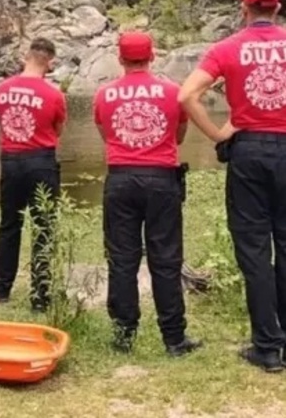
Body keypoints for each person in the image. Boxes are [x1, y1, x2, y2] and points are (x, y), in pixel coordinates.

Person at [179, 0, 286, 372]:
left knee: (255, 249)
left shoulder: (227, 48)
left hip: (249, 151)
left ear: (244, 8)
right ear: (277, 7)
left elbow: (186, 94)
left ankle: (267, 346)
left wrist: (218, 133)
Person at [94, 31, 202, 357]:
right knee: (166, 259)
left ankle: (124, 335)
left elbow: (106, 133)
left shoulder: (104, 94)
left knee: (122, 259)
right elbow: (179, 134)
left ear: (121, 58)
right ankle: (174, 338)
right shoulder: (173, 92)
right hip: (161, 179)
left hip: (121, 179)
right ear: (152, 56)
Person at [0, 37, 66, 312]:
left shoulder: (1, 89)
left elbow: (3, 121)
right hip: (41, 161)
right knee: (44, 226)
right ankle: (40, 294)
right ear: (51, 62)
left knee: (9, 224)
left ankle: (1, 288)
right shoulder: (54, 94)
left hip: (10, 160)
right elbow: (57, 130)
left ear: (26, 56)